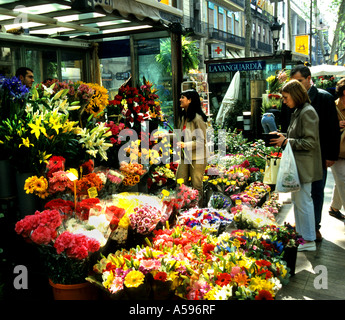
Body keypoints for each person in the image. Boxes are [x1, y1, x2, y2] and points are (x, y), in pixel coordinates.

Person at [271, 80, 323, 251]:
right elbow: (298, 136)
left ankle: (308, 240)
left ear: (295, 95)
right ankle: (303, 236)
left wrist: (286, 140)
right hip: (299, 166)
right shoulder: (299, 111)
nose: (284, 101)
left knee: (304, 201)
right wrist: (283, 136)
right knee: (299, 201)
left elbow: (310, 142)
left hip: (304, 166)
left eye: (286, 97)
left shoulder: (307, 112)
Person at [290, 64, 340, 241]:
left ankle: (315, 226)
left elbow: (332, 129)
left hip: (320, 154)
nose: (297, 84)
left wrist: (331, 155)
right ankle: (305, 224)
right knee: (302, 191)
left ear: (309, 79)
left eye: (300, 81)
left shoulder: (324, 98)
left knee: (317, 190)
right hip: (302, 154)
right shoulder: (295, 101)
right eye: (293, 82)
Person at [175, 89, 208, 207]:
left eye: (183, 97)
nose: (180, 99)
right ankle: (181, 208)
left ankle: (198, 210)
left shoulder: (198, 118)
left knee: (196, 185)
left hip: (198, 158)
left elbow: (201, 141)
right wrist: (165, 136)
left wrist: (186, 145)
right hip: (185, 156)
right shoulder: (183, 117)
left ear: (189, 100)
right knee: (180, 181)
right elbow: (178, 135)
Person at [329, 78, 345, 221]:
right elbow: (322, 127)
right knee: (343, 181)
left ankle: (334, 208)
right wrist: (336, 124)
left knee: (341, 181)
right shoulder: (331, 107)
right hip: (337, 151)